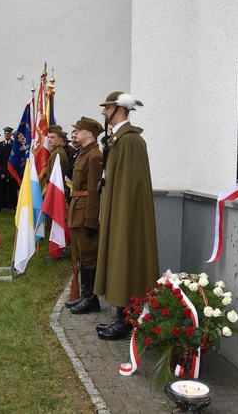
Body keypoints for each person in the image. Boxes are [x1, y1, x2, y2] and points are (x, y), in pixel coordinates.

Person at [93, 91, 159, 340]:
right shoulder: (118, 138)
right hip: (117, 208)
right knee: (118, 257)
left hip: (126, 213)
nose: (102, 113)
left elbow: (131, 186)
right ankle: (121, 315)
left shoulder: (130, 141)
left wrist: (121, 216)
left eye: (106, 108)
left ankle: (126, 319)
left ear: (119, 109)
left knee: (125, 257)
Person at [65, 117, 104, 315]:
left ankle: (91, 298)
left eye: (79, 130)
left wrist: (91, 220)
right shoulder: (82, 154)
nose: (76, 133)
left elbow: (93, 191)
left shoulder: (94, 156)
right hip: (76, 209)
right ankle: (86, 295)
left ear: (89, 133)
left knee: (89, 256)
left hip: (85, 212)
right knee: (81, 254)